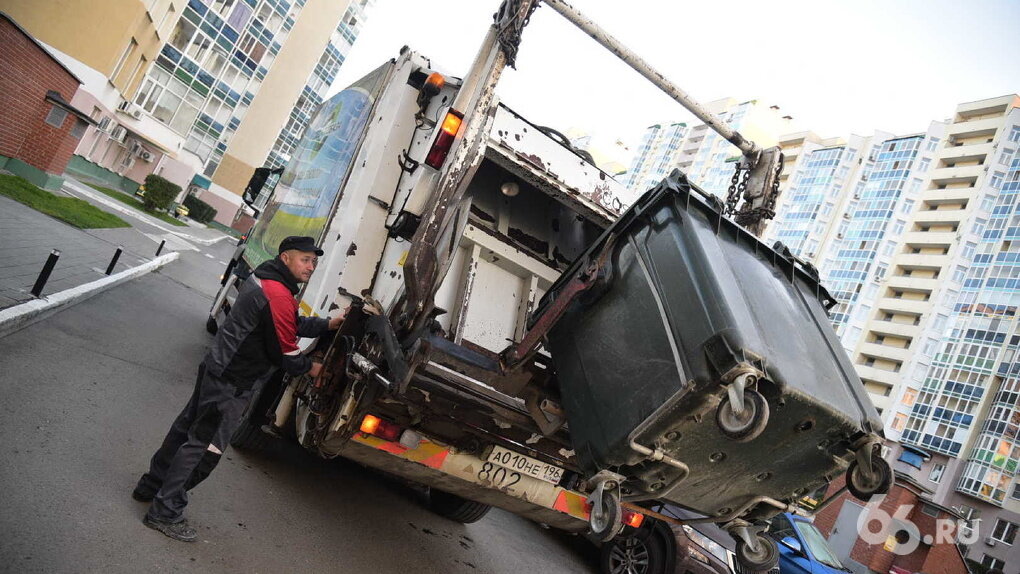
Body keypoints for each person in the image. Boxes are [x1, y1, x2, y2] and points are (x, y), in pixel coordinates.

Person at [133, 236, 343, 542]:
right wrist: (313, 369)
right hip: (234, 381)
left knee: (185, 429)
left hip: (218, 366)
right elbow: (286, 352)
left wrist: (327, 325)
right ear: (286, 258)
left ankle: (150, 486)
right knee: (205, 446)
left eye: (314, 262)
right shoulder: (277, 294)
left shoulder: (265, 277)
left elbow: (289, 323)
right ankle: (164, 512)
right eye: (305, 260)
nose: (311, 267)